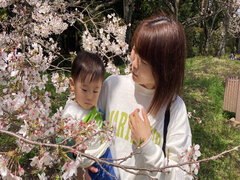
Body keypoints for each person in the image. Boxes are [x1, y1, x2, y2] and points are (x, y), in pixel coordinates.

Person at [97, 13, 192, 179]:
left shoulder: (174, 108)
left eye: (145, 62)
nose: (134, 63)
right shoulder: (112, 86)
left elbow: (182, 174)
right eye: (135, 50)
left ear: (165, 68)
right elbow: (88, 129)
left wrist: (147, 144)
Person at [58, 51, 116, 180]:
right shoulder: (71, 113)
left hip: (105, 155)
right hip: (92, 164)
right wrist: (80, 166)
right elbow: (63, 144)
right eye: (84, 90)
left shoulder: (90, 105)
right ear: (72, 84)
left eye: (96, 91)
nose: (89, 97)